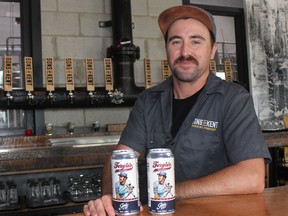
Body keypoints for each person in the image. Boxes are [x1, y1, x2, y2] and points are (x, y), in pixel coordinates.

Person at [83, 5, 271, 216]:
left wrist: (170, 192)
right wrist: (111, 197)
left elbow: (252, 177)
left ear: (213, 51)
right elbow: (119, 158)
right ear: (167, 50)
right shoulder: (148, 101)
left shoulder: (234, 100)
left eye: (196, 41)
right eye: (176, 42)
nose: (185, 52)